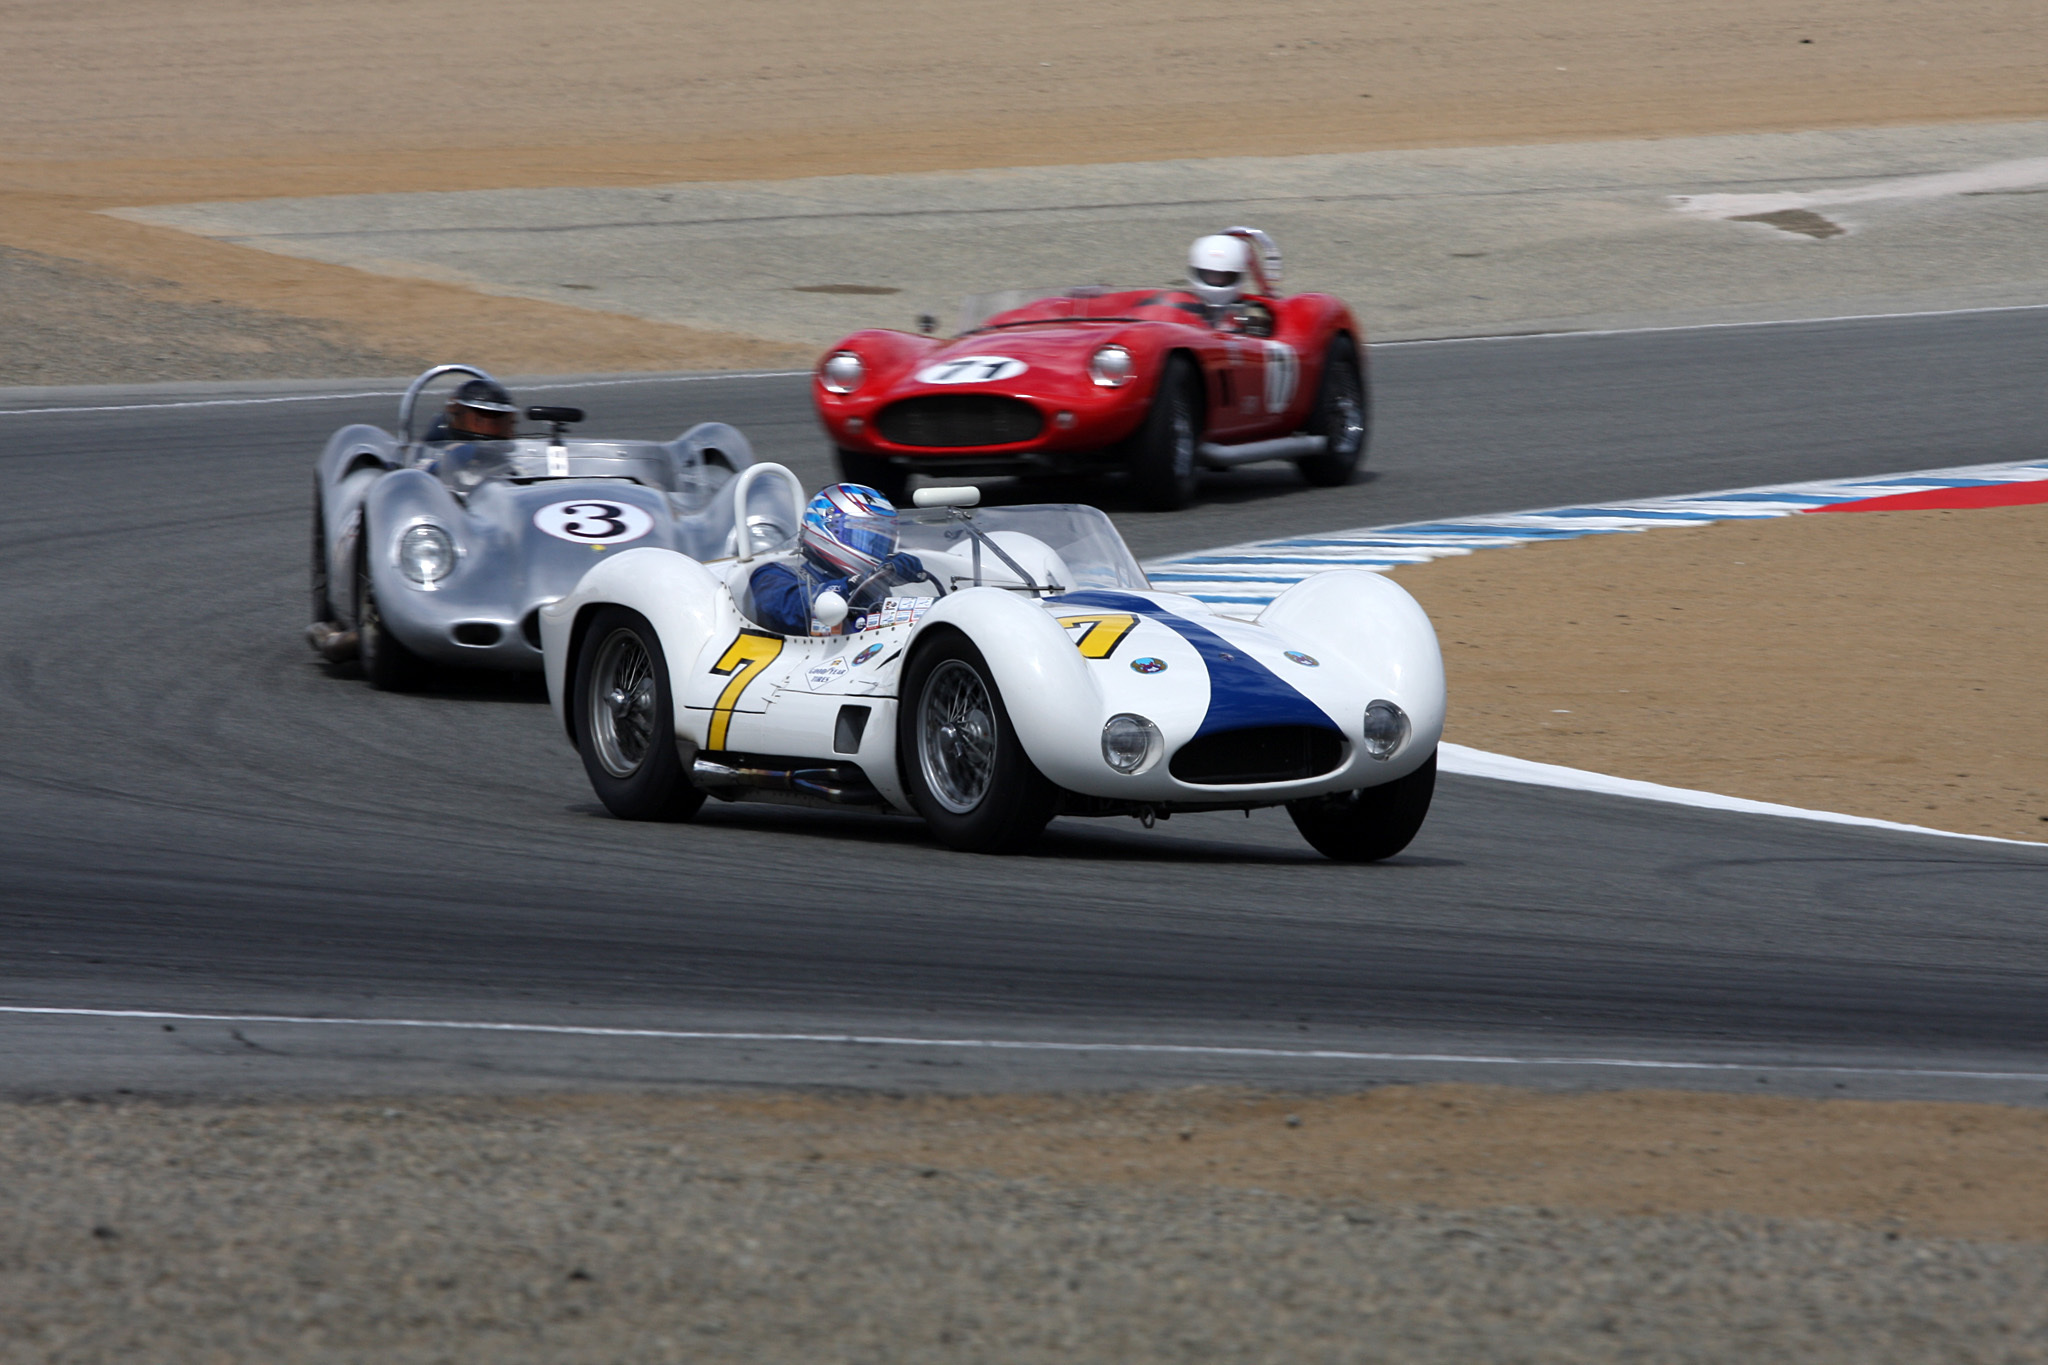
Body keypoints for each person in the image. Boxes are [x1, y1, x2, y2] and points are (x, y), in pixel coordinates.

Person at [747, 483, 929, 636]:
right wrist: (856, 585)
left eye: (883, 539)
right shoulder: (772, 575)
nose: (876, 547)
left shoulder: (874, 581)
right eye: (866, 536)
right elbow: (793, 609)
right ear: (827, 530)